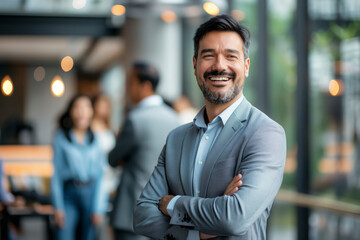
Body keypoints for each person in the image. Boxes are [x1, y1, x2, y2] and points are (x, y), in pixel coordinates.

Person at [133, 15, 286, 240]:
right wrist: (203, 229)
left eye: (230, 56)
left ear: (246, 66)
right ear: (195, 65)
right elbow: (142, 216)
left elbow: (234, 218)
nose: (219, 66)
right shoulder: (176, 138)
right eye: (209, 56)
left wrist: (173, 203)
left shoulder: (265, 133)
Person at [108, 62, 180, 240]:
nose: (127, 89)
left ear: (146, 86)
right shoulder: (174, 118)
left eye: (130, 83)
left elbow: (112, 159)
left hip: (132, 210)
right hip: (163, 212)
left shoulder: (135, 119)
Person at [51, 94, 106, 240]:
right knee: (63, 235)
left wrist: (98, 207)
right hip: (69, 194)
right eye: (77, 107)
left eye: (86, 107)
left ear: (91, 112)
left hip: (91, 193)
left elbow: (101, 175)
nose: (82, 111)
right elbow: (56, 175)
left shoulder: (96, 140)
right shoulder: (61, 138)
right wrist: (58, 207)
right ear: (71, 112)